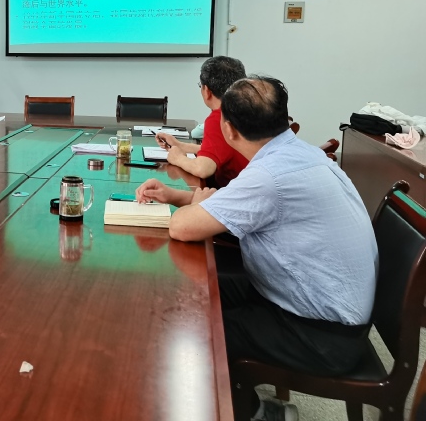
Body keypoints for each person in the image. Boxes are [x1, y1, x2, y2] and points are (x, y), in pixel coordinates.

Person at [146, 76, 378, 420]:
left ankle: (258, 413)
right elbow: (235, 202)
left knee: (194, 330)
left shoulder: (270, 175)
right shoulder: (298, 153)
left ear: (228, 130)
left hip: (320, 334)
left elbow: (181, 227)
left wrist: (193, 203)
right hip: (313, 303)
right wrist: (177, 196)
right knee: (190, 292)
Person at [136, 56, 248, 208]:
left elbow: (203, 169)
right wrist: (182, 146)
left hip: (232, 202)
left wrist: (178, 158)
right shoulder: (245, 111)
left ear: (207, 91)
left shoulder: (219, 118)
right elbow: (223, 150)